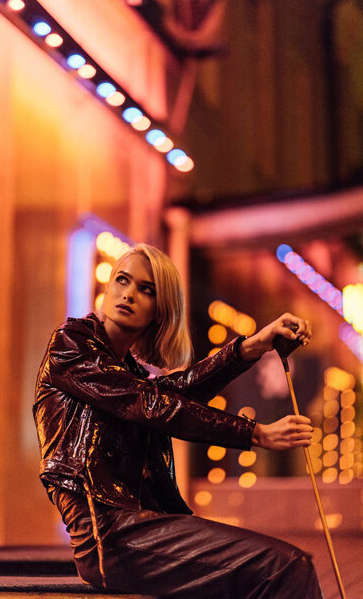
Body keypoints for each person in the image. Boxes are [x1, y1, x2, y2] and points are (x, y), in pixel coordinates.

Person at [34, 243, 322, 598]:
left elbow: (176, 392)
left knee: (285, 566)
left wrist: (252, 346)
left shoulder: (130, 372)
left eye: (146, 290)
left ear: (160, 310)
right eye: (122, 280)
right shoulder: (70, 345)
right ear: (107, 288)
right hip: (108, 536)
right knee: (285, 567)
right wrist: (256, 434)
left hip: (137, 527)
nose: (129, 294)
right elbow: (153, 405)